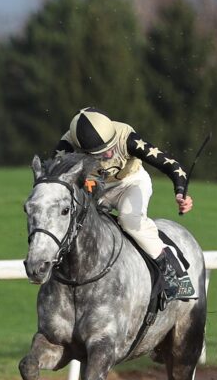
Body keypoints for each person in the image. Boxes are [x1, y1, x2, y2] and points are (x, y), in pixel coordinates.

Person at [54, 107, 197, 301]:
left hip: (131, 183)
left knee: (129, 219)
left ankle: (171, 270)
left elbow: (170, 164)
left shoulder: (127, 138)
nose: (109, 153)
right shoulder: (67, 145)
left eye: (110, 147)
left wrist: (180, 192)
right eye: (100, 153)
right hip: (96, 190)